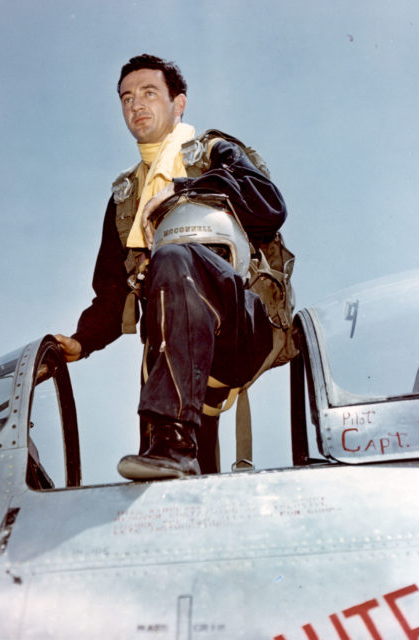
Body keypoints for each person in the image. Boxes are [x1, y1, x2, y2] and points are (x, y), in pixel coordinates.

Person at [55, 54, 288, 481]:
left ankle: (173, 441)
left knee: (174, 256)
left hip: (239, 320)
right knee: (172, 485)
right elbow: (113, 292)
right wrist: (79, 342)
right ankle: (172, 450)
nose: (135, 105)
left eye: (148, 93)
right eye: (126, 98)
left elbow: (269, 207)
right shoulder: (127, 197)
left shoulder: (215, 153)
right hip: (175, 338)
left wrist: (184, 191)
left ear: (178, 103)